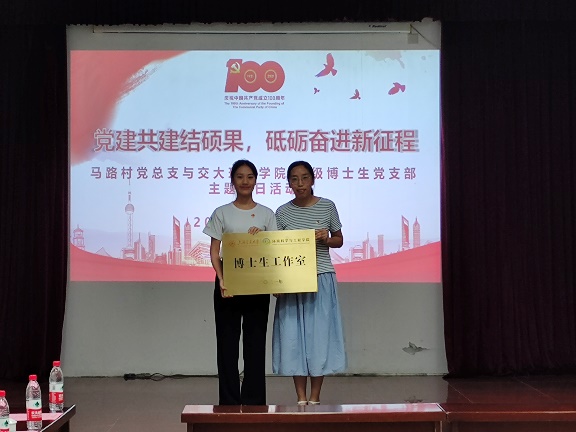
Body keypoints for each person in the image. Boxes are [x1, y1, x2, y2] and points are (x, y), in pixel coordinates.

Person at [203, 159, 278, 405]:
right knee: (227, 345)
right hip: (228, 283)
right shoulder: (221, 212)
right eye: (240, 176)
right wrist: (221, 278)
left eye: (250, 177)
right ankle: (229, 401)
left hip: (257, 284)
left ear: (256, 180)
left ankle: (254, 401)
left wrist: (262, 238)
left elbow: (273, 250)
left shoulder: (267, 214)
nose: (245, 181)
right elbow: (214, 251)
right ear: (232, 181)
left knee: (255, 345)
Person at [272, 160, 346, 405]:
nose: (300, 183)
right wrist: (277, 283)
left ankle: (315, 396)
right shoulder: (282, 212)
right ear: (288, 183)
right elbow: (275, 249)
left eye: (304, 178)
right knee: (293, 338)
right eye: (294, 179)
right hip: (291, 282)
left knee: (318, 338)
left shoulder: (327, 206)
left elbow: (339, 240)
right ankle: (300, 397)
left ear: (313, 180)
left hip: (320, 278)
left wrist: (326, 238)